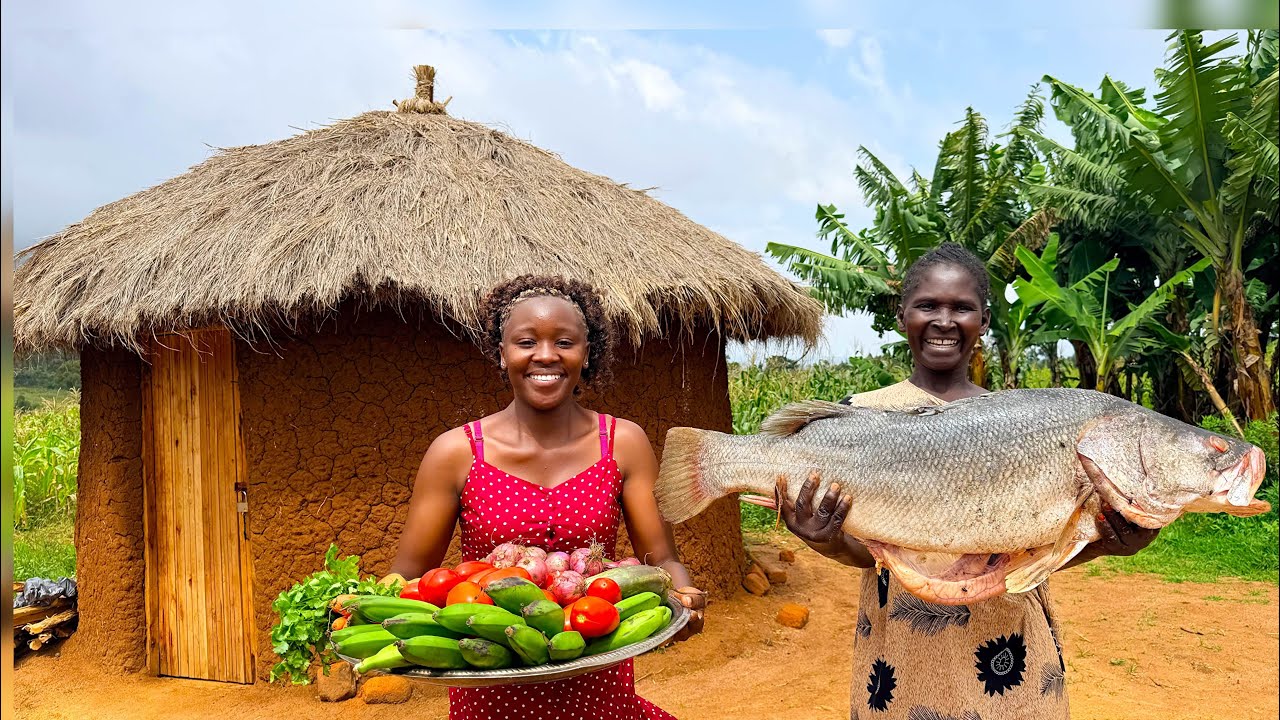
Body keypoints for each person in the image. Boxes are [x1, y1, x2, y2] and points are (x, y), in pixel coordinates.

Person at [776, 243, 1157, 719]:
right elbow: (867, 555)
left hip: (1009, 656)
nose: (944, 320)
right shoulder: (858, 417)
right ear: (902, 316)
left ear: (985, 320)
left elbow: (1035, 556)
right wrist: (825, 541)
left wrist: (1104, 543)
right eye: (928, 305)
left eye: (962, 307)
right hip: (898, 660)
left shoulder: (1026, 423)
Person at [389, 275, 705, 720]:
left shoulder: (623, 443)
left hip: (599, 685)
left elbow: (661, 558)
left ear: (586, 353)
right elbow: (409, 576)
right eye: (525, 341)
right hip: (492, 687)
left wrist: (683, 597)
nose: (545, 355)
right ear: (502, 354)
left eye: (564, 341)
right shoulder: (455, 453)